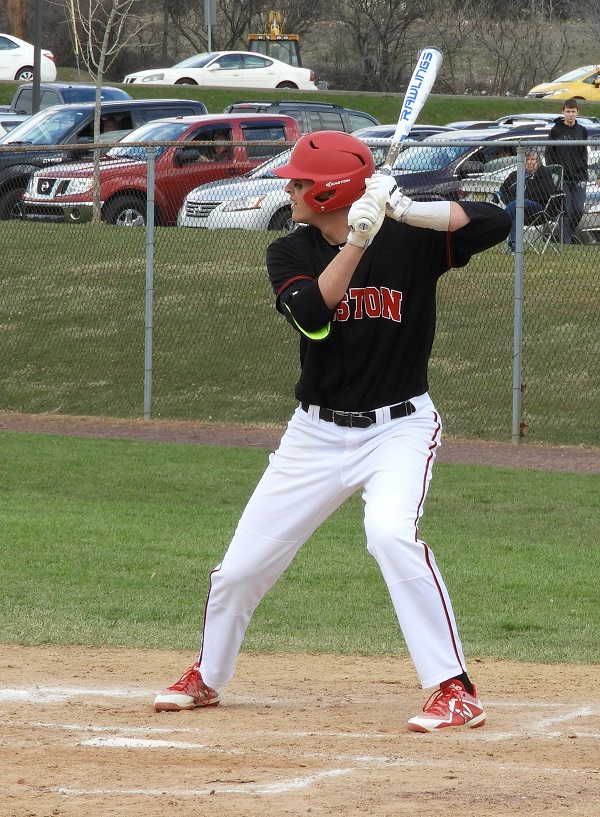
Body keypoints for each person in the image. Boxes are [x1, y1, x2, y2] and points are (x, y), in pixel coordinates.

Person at [154, 131, 511, 732]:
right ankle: (208, 675)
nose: (289, 189)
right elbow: (315, 319)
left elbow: (494, 222)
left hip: (398, 428)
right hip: (314, 435)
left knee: (390, 536)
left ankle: (454, 688)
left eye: (299, 181)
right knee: (240, 567)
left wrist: (406, 210)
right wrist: (358, 242)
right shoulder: (288, 252)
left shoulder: (410, 240)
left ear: (330, 189)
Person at [545, 98, 589, 244]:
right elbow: (549, 153)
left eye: (573, 111)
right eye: (568, 111)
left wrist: (585, 171)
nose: (570, 114)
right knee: (567, 209)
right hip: (562, 177)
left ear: (578, 113)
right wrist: (553, 172)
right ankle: (566, 241)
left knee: (578, 210)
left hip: (579, 176)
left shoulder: (582, 131)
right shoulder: (556, 130)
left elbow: (584, 154)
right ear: (563, 112)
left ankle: (566, 232)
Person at [498, 150, 557, 254]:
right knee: (516, 213)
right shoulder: (515, 175)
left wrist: (523, 198)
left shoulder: (544, 173)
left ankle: (499, 224)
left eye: (533, 159)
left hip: (539, 208)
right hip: (520, 209)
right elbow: (503, 191)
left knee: (519, 202)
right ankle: (515, 246)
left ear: (538, 162)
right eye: (527, 159)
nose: (529, 162)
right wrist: (514, 201)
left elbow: (546, 192)